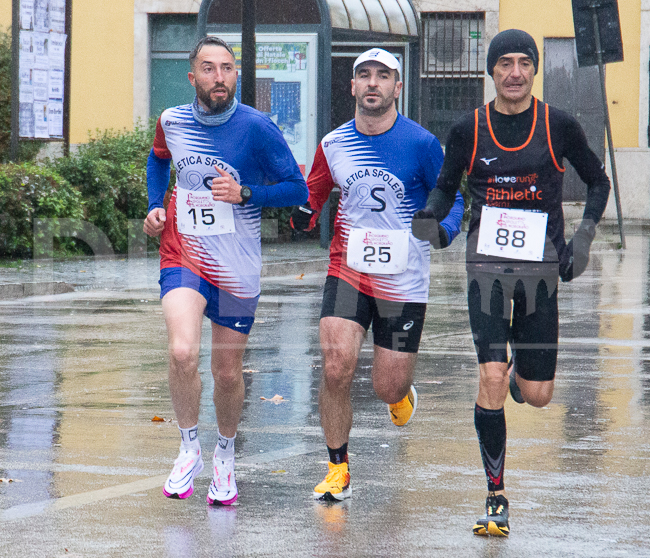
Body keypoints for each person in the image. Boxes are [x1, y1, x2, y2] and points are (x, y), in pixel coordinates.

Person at [412, 29, 611, 536]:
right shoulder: (469, 128)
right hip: (487, 272)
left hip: (541, 273)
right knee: (491, 378)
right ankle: (495, 495)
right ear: (492, 71)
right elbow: (445, 186)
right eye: (505, 63)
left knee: (537, 394)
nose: (515, 72)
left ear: (535, 69)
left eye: (524, 62)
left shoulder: (558, 125)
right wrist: (431, 214)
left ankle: (523, 371)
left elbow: (598, 180)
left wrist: (584, 238)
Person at [289, 48, 464, 502]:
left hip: (403, 278)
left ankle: (401, 395)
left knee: (387, 386)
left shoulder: (422, 144)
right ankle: (337, 468)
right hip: (348, 270)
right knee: (335, 366)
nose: (372, 83)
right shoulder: (333, 144)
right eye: (364, 75)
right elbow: (315, 192)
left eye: (383, 76)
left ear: (397, 87)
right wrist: (303, 213)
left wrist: (443, 230)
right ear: (352, 86)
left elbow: (453, 197)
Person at [143, 36, 308, 506]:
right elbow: (158, 160)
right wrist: (155, 206)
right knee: (181, 351)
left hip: (236, 266)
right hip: (183, 254)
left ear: (236, 75)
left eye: (227, 68)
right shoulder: (172, 121)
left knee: (227, 372)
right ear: (192, 77)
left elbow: (297, 189)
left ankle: (225, 455)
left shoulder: (256, 128)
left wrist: (247, 194)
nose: (219, 77)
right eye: (209, 68)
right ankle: (189, 448)